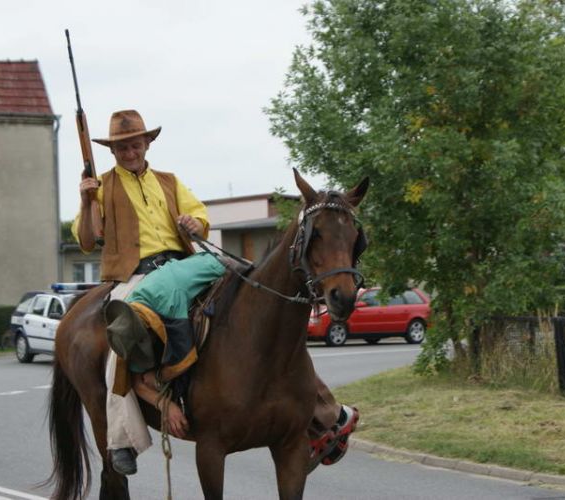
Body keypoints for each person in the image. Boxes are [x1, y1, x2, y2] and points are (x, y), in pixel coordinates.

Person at [73, 109, 357, 476]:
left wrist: (195, 223)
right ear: (113, 151)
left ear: (147, 144)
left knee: (257, 306)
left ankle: (324, 410)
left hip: (183, 266)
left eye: (135, 144)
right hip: (134, 276)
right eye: (122, 147)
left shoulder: (169, 181)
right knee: (120, 339)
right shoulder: (102, 187)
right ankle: (121, 438)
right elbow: (84, 241)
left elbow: (200, 219)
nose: (130, 152)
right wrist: (85, 201)